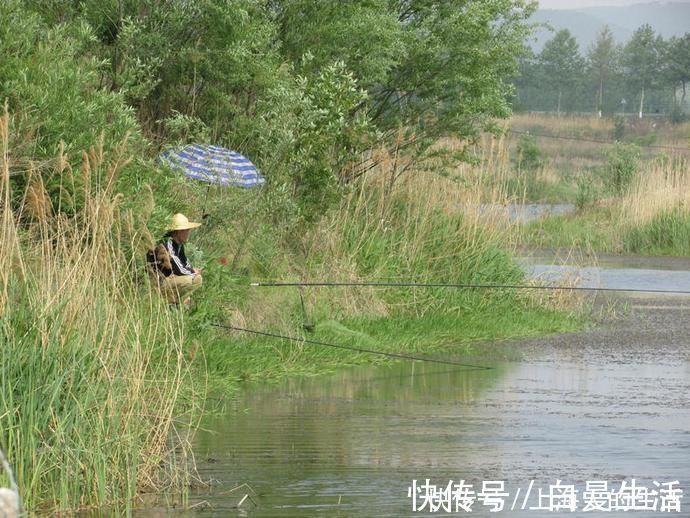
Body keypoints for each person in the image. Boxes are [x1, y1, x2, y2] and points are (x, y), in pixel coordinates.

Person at [147, 213, 203, 307]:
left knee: (196, 277)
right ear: (178, 232)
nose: (188, 233)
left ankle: (177, 304)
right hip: (158, 283)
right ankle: (170, 302)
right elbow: (179, 269)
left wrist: (192, 269)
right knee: (193, 279)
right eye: (186, 230)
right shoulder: (168, 244)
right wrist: (193, 272)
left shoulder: (179, 245)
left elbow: (185, 263)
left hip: (169, 279)